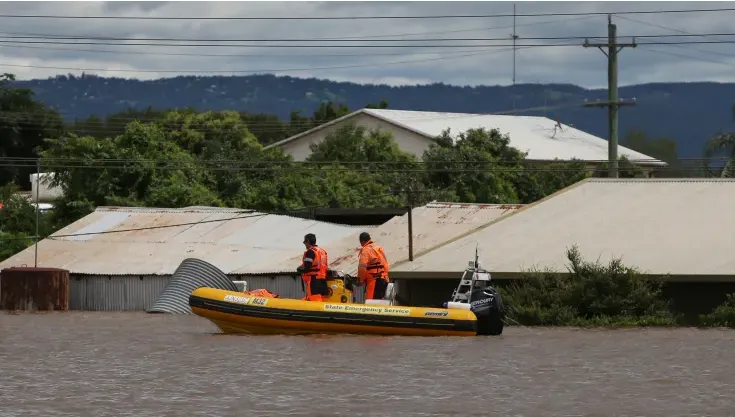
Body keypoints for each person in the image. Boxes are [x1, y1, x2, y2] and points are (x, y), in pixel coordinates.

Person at [296, 233, 329, 301]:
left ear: (308, 241)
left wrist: (299, 270)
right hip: (323, 281)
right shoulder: (322, 252)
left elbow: (307, 268)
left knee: (314, 302)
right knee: (321, 300)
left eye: (304, 242)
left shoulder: (310, 252)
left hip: (314, 282)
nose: (304, 244)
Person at [357, 232, 390, 300]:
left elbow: (362, 268)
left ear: (362, 241)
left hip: (373, 282)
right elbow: (385, 264)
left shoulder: (366, 250)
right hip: (383, 280)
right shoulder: (378, 248)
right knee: (381, 303)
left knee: (372, 305)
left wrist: (360, 280)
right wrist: (386, 277)